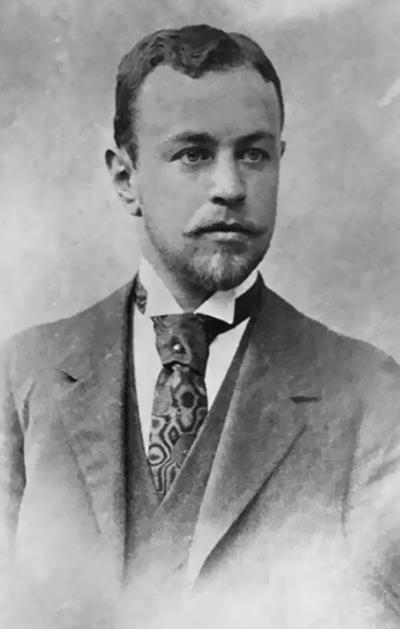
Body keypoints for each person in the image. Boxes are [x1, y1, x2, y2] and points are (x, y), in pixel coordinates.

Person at [1, 23, 400, 629]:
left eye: (254, 154)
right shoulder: (24, 375)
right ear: (125, 179)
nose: (231, 187)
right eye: (193, 154)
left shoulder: (368, 393)